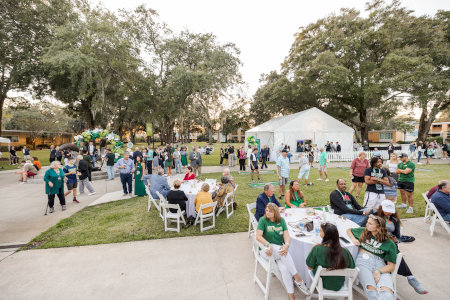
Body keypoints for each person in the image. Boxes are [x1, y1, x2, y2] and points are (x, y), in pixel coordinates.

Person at [256, 203, 310, 298]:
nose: (267, 213)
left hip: (279, 252)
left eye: (270, 211)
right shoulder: (263, 220)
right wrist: (268, 244)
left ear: (276, 212)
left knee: (285, 269)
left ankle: (291, 296)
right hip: (266, 251)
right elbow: (258, 236)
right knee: (282, 251)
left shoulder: (281, 220)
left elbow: (286, 235)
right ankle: (297, 277)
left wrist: (286, 245)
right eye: (267, 211)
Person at [377, 200, 428, 294]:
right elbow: (364, 228)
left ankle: (407, 278)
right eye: (386, 210)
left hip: (390, 243)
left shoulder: (394, 220)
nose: (389, 213)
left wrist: (396, 240)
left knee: (393, 249)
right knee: (394, 252)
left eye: (391, 211)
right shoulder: (374, 217)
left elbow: (398, 236)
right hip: (376, 241)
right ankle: (410, 277)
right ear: (381, 209)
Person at [347, 215, 398, 300]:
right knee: (372, 292)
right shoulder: (364, 231)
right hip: (363, 261)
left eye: (370, 223)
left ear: (378, 228)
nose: (366, 224)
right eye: (367, 222)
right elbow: (349, 230)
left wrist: (378, 271)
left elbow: (391, 266)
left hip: (380, 264)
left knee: (388, 294)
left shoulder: (389, 243)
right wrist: (353, 239)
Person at [306, 223, 355, 291]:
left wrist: (313, 248)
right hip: (338, 284)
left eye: (321, 231)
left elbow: (310, 267)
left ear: (326, 235)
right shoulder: (346, 252)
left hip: (321, 283)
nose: (319, 232)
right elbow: (352, 268)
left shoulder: (317, 249)